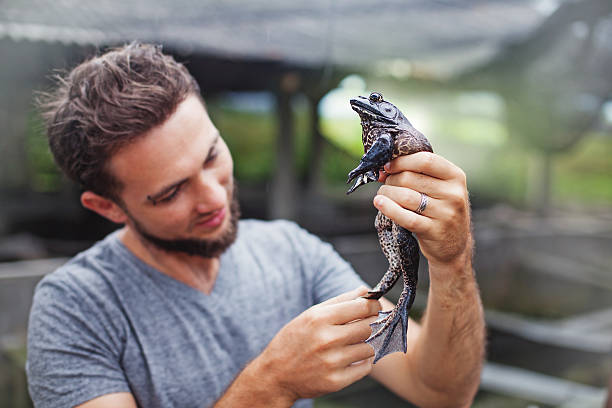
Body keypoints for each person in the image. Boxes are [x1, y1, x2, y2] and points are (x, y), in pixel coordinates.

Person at [26, 42, 485, 408]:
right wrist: (272, 383)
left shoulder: (291, 253)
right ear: (107, 207)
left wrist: (453, 263)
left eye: (211, 156)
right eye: (170, 192)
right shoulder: (73, 310)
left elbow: (441, 392)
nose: (212, 196)